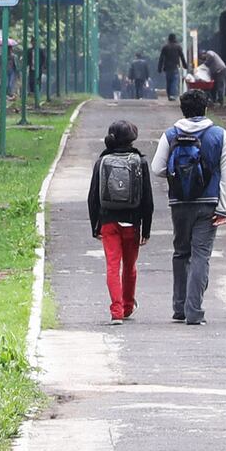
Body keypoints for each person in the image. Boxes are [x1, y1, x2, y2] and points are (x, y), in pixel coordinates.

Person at [151, 89, 226, 325]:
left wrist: (178, 175)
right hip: (208, 203)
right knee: (200, 256)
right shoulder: (219, 134)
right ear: (206, 108)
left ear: (183, 110)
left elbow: (157, 168)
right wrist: (223, 208)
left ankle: (179, 307)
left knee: (180, 252)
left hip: (180, 202)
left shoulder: (171, 134)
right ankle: (194, 310)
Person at [88, 120, 155, 324]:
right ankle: (127, 306)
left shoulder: (102, 162)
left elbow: (93, 197)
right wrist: (146, 229)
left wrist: (95, 225)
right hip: (133, 223)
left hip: (109, 222)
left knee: (112, 266)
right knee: (130, 266)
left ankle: (115, 311)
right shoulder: (140, 161)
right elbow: (147, 199)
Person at [158, 34, 187, 101]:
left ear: (169, 39)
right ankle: (173, 95)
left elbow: (161, 58)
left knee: (168, 82)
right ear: (175, 38)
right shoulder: (178, 47)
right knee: (174, 81)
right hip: (175, 67)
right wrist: (185, 65)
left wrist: (159, 68)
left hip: (167, 67)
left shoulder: (165, 47)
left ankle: (169, 95)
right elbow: (182, 57)